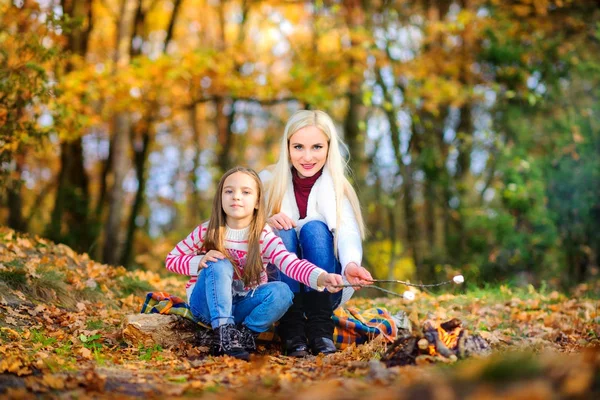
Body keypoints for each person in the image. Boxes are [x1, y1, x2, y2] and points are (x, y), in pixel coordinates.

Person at [166, 166, 343, 361]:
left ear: (257, 201)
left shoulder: (263, 235)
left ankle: (243, 335)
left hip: (242, 307)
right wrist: (199, 261)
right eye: (229, 191)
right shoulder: (208, 230)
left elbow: (290, 263)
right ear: (220, 198)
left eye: (246, 192)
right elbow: (172, 259)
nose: (236, 197)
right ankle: (223, 333)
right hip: (206, 305)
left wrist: (322, 277)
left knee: (283, 292)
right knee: (220, 262)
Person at [260, 109, 373, 357]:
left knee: (314, 228)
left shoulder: (335, 187)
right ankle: (291, 328)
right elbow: (239, 228)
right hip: (280, 291)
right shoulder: (266, 181)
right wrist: (265, 222)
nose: (307, 156)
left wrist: (352, 263)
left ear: (329, 148)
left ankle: (320, 328)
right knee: (283, 230)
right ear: (287, 147)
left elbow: (347, 231)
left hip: (324, 292)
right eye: (298, 147)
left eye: (317, 147)